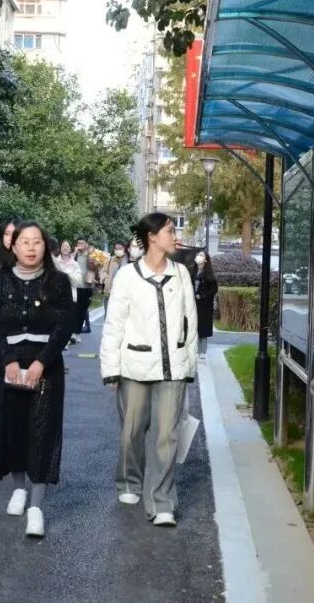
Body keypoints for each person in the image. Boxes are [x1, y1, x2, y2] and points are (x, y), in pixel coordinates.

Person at [99, 212, 199, 526]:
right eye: (170, 231)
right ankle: (130, 481)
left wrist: (189, 363)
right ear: (152, 237)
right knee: (132, 431)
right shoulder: (128, 275)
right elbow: (114, 324)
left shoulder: (181, 273)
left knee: (166, 436)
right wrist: (110, 368)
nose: (175, 236)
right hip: (134, 366)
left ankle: (161, 501)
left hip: (173, 368)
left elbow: (191, 321)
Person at [0, 222, 73, 537]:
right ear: (13, 246)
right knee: (14, 429)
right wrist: (8, 358)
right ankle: (18, 487)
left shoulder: (58, 281)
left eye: (37, 241)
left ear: (45, 246)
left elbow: (64, 325)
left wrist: (41, 362)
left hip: (45, 365)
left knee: (42, 431)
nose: (31, 247)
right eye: (24, 241)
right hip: (10, 364)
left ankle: (36, 507)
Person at [55, 240, 83, 344]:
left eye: (67, 246)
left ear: (70, 248)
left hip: (70, 295)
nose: (65, 248)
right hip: (56, 295)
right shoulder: (55, 262)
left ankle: (65, 341)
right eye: (63, 246)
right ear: (60, 248)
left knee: (67, 319)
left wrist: (67, 275)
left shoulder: (75, 264)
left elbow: (78, 282)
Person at [193, 250, 218, 362]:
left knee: (203, 328)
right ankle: (195, 350)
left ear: (206, 260)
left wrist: (202, 295)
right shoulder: (193, 271)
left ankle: (202, 351)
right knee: (194, 327)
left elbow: (214, 289)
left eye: (201, 255)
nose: (198, 256)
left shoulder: (209, 273)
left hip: (205, 305)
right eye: (198, 255)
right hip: (194, 303)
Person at [73, 237, 97, 334]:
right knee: (76, 308)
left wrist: (90, 257)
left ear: (87, 244)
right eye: (78, 243)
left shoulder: (92, 254)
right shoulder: (75, 254)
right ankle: (77, 329)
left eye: (82, 243)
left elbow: (96, 268)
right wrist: (74, 252)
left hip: (86, 286)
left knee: (83, 308)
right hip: (75, 286)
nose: (80, 245)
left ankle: (80, 328)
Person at [103, 241, 129, 310]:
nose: (118, 250)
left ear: (125, 249)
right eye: (116, 249)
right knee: (108, 314)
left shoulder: (128, 260)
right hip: (109, 293)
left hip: (123, 296)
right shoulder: (110, 260)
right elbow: (103, 271)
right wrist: (106, 279)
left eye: (120, 248)